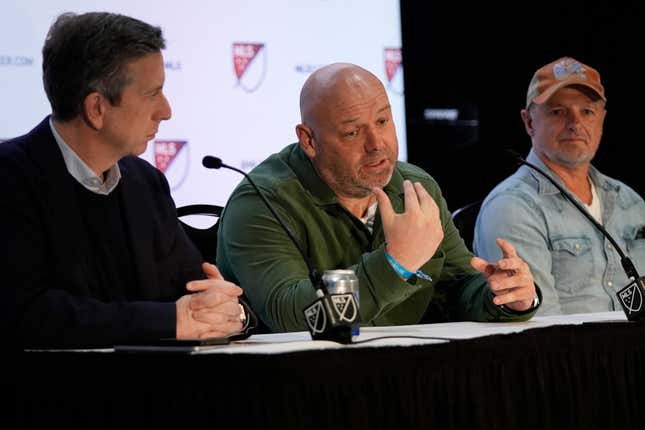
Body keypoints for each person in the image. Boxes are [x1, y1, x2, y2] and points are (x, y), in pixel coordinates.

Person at [216, 62, 540, 332]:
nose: (376, 144)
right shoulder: (261, 203)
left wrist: (502, 296)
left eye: (383, 121)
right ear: (309, 140)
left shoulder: (415, 186)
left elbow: (456, 287)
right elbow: (294, 316)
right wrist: (394, 264)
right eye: (353, 132)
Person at [0, 12, 254, 349]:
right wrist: (169, 320)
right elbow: (26, 313)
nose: (166, 111)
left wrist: (232, 312)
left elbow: (195, 289)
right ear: (96, 109)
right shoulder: (11, 177)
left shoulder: (145, 183)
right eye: (153, 94)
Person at [473, 57, 645, 316]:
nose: (575, 123)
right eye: (558, 112)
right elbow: (541, 332)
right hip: (572, 354)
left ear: (602, 120)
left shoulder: (630, 201)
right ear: (529, 122)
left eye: (587, 111)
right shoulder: (512, 208)